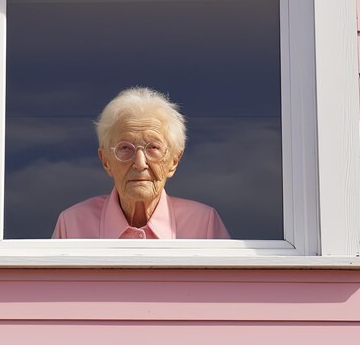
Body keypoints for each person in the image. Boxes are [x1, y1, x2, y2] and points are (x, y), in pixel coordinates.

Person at [52, 87, 230, 239]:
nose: (140, 163)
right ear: (106, 161)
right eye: (125, 148)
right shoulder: (72, 224)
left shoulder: (204, 223)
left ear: (174, 161)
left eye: (153, 147)